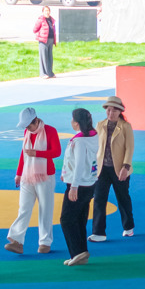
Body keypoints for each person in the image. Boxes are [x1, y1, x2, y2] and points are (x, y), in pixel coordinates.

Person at [6, 107, 61, 255]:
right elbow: (24, 154)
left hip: (45, 176)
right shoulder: (27, 132)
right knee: (24, 207)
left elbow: (57, 152)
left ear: (36, 120)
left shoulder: (50, 131)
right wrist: (19, 173)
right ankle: (17, 240)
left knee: (45, 209)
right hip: (27, 175)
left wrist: (37, 153)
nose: (27, 128)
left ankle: (45, 242)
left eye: (29, 125)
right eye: (25, 126)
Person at [91, 96, 135, 241]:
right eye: (108, 110)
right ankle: (98, 233)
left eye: (114, 111)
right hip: (102, 170)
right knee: (99, 200)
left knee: (123, 199)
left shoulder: (126, 127)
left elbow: (129, 148)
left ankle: (128, 227)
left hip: (120, 170)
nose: (110, 113)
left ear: (120, 111)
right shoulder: (100, 125)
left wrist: (125, 167)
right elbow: (94, 146)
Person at [59, 108, 98, 266]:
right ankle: (82, 252)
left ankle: (77, 252)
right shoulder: (94, 136)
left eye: (72, 119)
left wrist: (73, 186)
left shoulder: (79, 141)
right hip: (90, 182)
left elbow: (79, 163)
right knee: (80, 219)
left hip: (78, 184)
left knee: (67, 219)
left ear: (77, 123)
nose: (71, 121)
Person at [33, 5, 57, 79]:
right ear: (43, 12)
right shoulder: (41, 20)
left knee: (50, 57)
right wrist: (41, 35)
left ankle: (50, 73)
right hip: (43, 41)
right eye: (45, 11)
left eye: (48, 10)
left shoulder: (51, 20)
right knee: (43, 57)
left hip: (50, 40)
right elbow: (35, 30)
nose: (47, 12)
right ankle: (43, 73)